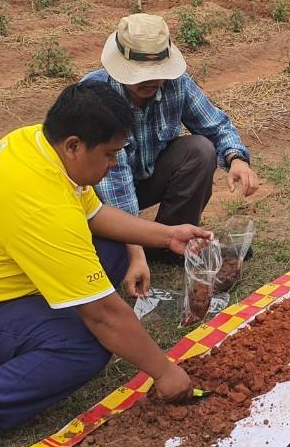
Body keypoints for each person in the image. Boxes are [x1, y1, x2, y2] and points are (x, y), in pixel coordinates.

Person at [0, 81, 211, 447]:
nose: (113, 166)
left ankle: (34, 338)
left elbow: (94, 215)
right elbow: (103, 316)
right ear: (74, 145)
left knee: (114, 248)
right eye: (109, 155)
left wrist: (166, 234)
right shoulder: (40, 203)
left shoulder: (35, 144)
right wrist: (166, 373)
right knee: (85, 344)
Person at [83, 14, 259, 266]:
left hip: (145, 178)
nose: (149, 81)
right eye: (140, 74)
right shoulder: (97, 97)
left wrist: (237, 159)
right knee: (111, 261)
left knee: (199, 150)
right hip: (97, 195)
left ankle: (170, 246)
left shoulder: (177, 85)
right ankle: (152, 244)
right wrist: (135, 250)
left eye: (156, 72)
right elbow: (116, 187)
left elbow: (216, 125)